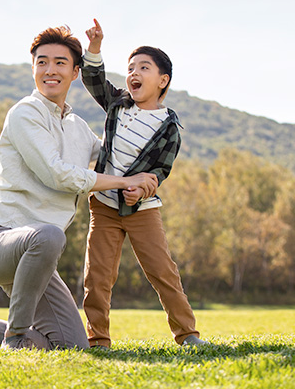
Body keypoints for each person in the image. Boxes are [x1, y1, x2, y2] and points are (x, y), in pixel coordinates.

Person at [0, 26, 158, 350]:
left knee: (71, 346)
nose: (50, 70)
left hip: (40, 256)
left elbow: (112, 153)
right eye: (42, 62)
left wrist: (153, 143)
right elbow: (58, 175)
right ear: (33, 68)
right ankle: (15, 338)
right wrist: (123, 182)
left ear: (75, 72)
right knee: (48, 235)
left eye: (60, 63)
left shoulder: (77, 126)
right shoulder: (24, 114)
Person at [79, 19, 207, 348]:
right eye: (131, 67)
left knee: (163, 272)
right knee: (98, 276)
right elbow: (93, 80)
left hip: (142, 211)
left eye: (144, 68)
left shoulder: (169, 126)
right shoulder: (118, 105)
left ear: (163, 80)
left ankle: (188, 335)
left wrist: (142, 189)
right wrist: (94, 48)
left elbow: (159, 171)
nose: (134, 73)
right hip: (105, 207)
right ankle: (98, 339)